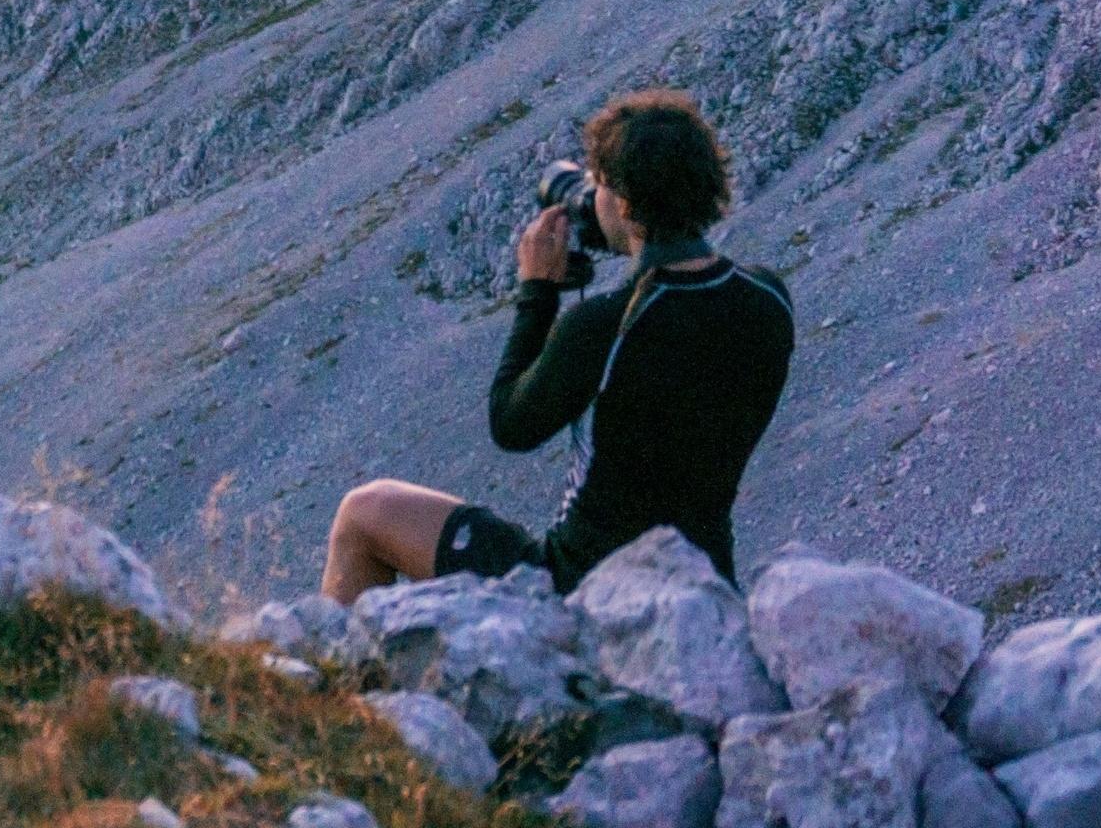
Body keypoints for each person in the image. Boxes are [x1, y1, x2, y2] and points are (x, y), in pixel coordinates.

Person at [324, 89, 793, 598]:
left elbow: (510, 424)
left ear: (627, 203)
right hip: (707, 583)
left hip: (582, 587)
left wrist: (537, 294)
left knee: (365, 511)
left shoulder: (608, 326)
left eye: (601, 187)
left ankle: (330, 675)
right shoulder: (767, 296)